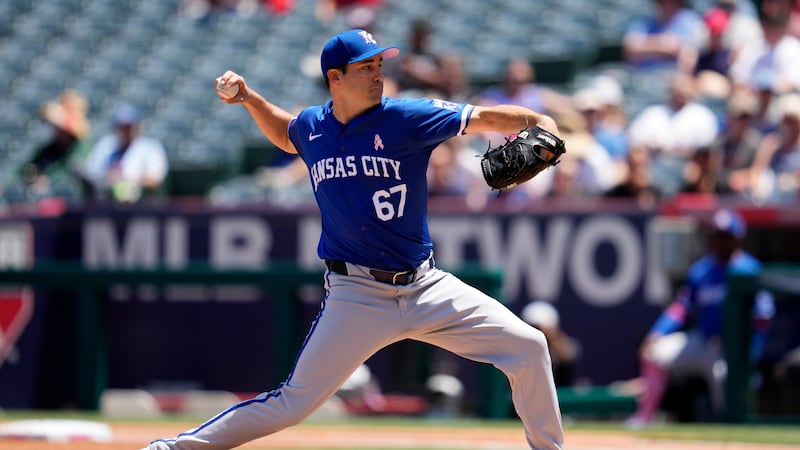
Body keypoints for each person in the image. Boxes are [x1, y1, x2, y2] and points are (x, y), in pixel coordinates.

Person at [142, 29, 564, 449]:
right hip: (355, 293)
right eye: (366, 67)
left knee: (529, 346)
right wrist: (250, 99)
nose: (378, 74)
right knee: (292, 403)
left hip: (424, 286)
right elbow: (287, 134)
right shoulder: (313, 126)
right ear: (335, 77)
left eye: (380, 64)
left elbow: (485, 117)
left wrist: (540, 121)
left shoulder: (407, 117)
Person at [625, 209, 775, 428]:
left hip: (732, 351)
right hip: (702, 341)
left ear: (738, 239)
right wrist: (658, 332)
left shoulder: (750, 269)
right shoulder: (701, 270)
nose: (721, 242)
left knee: (728, 391)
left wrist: (750, 356)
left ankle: (733, 432)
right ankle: (645, 417)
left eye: (726, 237)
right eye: (717, 236)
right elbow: (681, 309)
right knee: (653, 353)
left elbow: (762, 318)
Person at [17, 89, 92, 203]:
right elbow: (25, 170)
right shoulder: (49, 150)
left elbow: (76, 176)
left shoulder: (81, 148)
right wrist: (32, 177)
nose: (58, 130)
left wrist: (49, 181)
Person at [84, 103, 169, 203]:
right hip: (106, 204)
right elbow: (91, 173)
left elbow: (155, 179)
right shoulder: (106, 145)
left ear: (137, 126)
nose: (125, 131)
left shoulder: (150, 147)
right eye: (122, 127)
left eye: (129, 127)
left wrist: (127, 180)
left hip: (142, 206)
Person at [521, 301, 581, 387]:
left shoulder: (561, 346)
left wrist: (552, 338)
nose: (538, 331)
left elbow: (568, 356)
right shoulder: (518, 348)